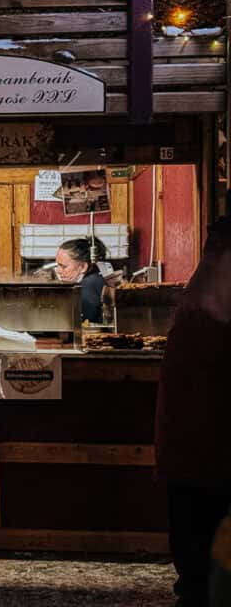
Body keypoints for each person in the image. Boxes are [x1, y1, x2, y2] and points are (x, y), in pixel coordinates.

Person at [155, 206, 231, 607]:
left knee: (194, 553)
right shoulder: (216, 296)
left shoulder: (204, 288)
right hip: (209, 448)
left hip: (189, 451)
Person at [55, 237, 107, 323]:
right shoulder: (96, 276)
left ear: (83, 267)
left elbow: (84, 321)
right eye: (58, 265)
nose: (58, 271)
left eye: (63, 266)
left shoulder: (89, 284)